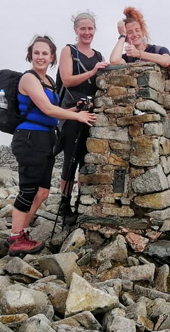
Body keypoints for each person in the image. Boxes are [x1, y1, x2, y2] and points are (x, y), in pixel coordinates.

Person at [8, 35, 96, 256]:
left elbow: (54, 113)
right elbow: (48, 109)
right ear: (30, 55)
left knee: (43, 192)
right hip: (29, 138)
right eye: (36, 53)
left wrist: (76, 109)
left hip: (46, 139)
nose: (40, 57)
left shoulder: (48, 81)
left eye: (45, 53)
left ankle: (22, 232)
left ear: (51, 57)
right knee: (28, 190)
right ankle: (15, 237)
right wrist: (78, 117)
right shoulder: (29, 79)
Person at [56, 12, 109, 224]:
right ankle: (64, 203)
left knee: (86, 159)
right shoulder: (69, 51)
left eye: (90, 28)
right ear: (76, 30)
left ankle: (81, 202)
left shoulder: (99, 55)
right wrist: (93, 71)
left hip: (91, 113)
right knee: (71, 159)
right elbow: (67, 80)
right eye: (83, 28)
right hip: (72, 113)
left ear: (95, 29)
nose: (87, 32)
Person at [110, 7, 170, 72]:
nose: (135, 34)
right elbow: (114, 61)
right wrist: (122, 35)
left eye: (137, 30)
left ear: (142, 31)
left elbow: (166, 61)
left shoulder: (157, 50)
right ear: (126, 38)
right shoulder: (127, 58)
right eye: (129, 32)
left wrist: (138, 53)